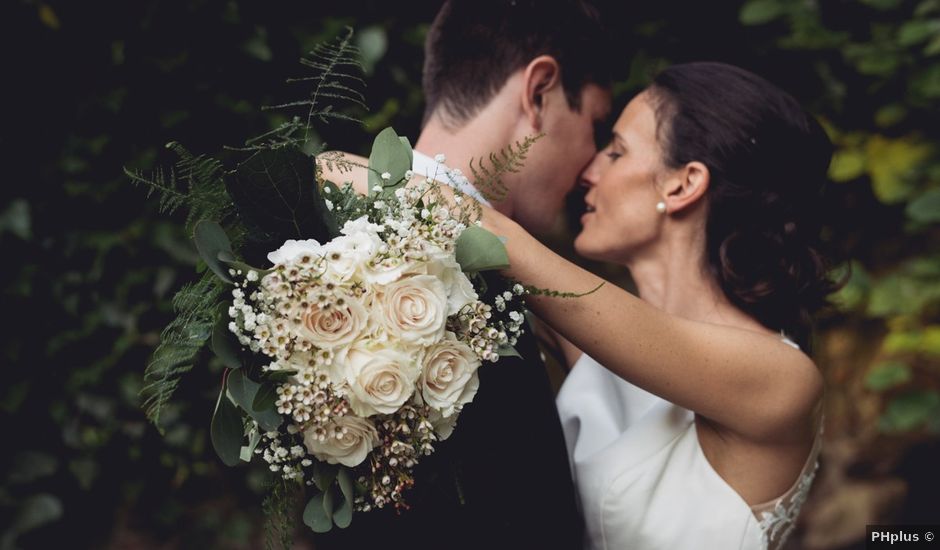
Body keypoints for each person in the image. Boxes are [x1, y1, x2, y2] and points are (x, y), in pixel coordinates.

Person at [481, 62, 841, 549]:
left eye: (615, 152)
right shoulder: (599, 348)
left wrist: (351, 168)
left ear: (682, 185)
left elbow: (500, 242)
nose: (588, 172)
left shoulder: (781, 378)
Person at [316, 1, 611, 548]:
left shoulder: (326, 241)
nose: (593, 164)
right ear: (540, 91)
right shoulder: (367, 266)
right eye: (595, 123)